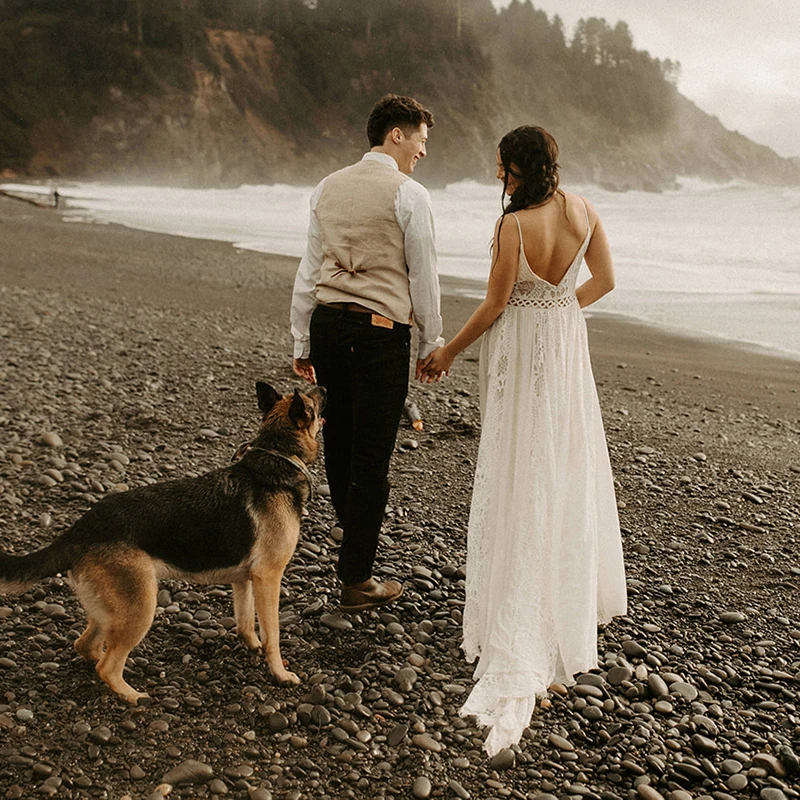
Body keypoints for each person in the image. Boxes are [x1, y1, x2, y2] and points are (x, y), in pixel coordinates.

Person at [419, 125, 627, 754]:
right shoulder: (584, 210)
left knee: (519, 464)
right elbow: (606, 281)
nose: (499, 176)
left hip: (522, 350)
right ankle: (563, 606)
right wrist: (561, 311)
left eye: (502, 167)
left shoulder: (515, 226)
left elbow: (494, 305)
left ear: (516, 166)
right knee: (562, 463)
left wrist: (447, 352)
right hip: (565, 352)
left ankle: (520, 623)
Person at [291, 94, 444, 613]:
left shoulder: (327, 186)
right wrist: (432, 342)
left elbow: (309, 267)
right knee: (372, 458)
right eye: (421, 139)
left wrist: (300, 338)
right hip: (381, 335)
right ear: (396, 135)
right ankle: (356, 577)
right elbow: (423, 275)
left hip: (329, 324)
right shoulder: (410, 194)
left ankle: (351, 534)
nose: (423, 151)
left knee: (341, 446)